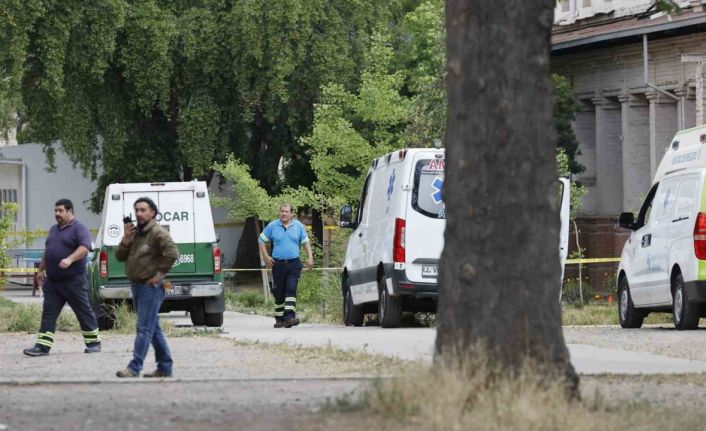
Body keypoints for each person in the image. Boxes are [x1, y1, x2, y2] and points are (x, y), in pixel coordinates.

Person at [23, 199, 101, 356]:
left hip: (74, 281)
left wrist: (70, 259)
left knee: (83, 312)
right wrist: (40, 270)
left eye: (60, 210)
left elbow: (85, 248)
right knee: (48, 313)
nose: (57, 213)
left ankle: (94, 343)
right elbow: (48, 251)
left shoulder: (79, 228)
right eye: (55, 211)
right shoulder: (53, 230)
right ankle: (42, 346)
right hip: (53, 283)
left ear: (70, 211)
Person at [115, 197, 178, 378]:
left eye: (143, 210)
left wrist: (159, 275)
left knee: (143, 328)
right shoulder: (136, 234)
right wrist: (126, 238)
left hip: (151, 287)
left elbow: (172, 254)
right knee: (154, 329)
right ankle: (165, 367)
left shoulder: (158, 233)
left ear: (153, 213)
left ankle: (134, 367)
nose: (139, 213)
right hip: (137, 286)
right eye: (136, 210)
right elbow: (119, 256)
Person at [258, 203, 314, 328]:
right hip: (278, 264)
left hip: (294, 263)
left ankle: (289, 317)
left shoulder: (298, 226)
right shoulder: (273, 225)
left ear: (291, 214)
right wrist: (266, 257)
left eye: (286, 211)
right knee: (279, 292)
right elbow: (261, 240)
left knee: (291, 288)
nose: (284, 213)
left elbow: (306, 243)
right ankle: (279, 319)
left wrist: (310, 257)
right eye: (282, 211)